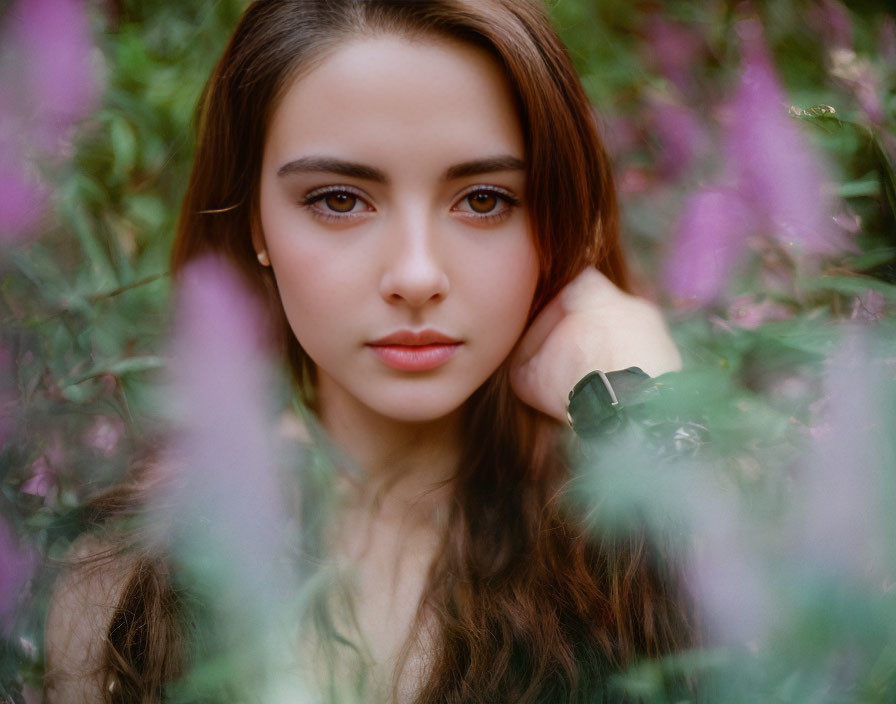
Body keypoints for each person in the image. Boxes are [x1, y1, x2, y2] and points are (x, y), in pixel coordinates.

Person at [44, 0, 694, 702]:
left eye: (483, 200)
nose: (416, 275)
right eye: (339, 199)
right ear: (255, 219)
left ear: (554, 216)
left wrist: (646, 413)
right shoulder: (127, 577)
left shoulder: (637, 553)